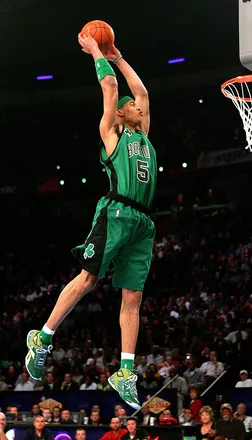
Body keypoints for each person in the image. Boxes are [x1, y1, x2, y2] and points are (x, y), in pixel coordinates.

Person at [25, 27, 157, 412]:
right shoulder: (113, 131)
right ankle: (43, 338)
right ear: (120, 113)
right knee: (88, 280)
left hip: (144, 223)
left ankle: (125, 372)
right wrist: (97, 52)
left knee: (133, 297)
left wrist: (117, 55)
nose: (137, 104)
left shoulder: (144, 135)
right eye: (131, 104)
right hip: (115, 212)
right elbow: (113, 91)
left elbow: (143, 93)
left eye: (137, 106)